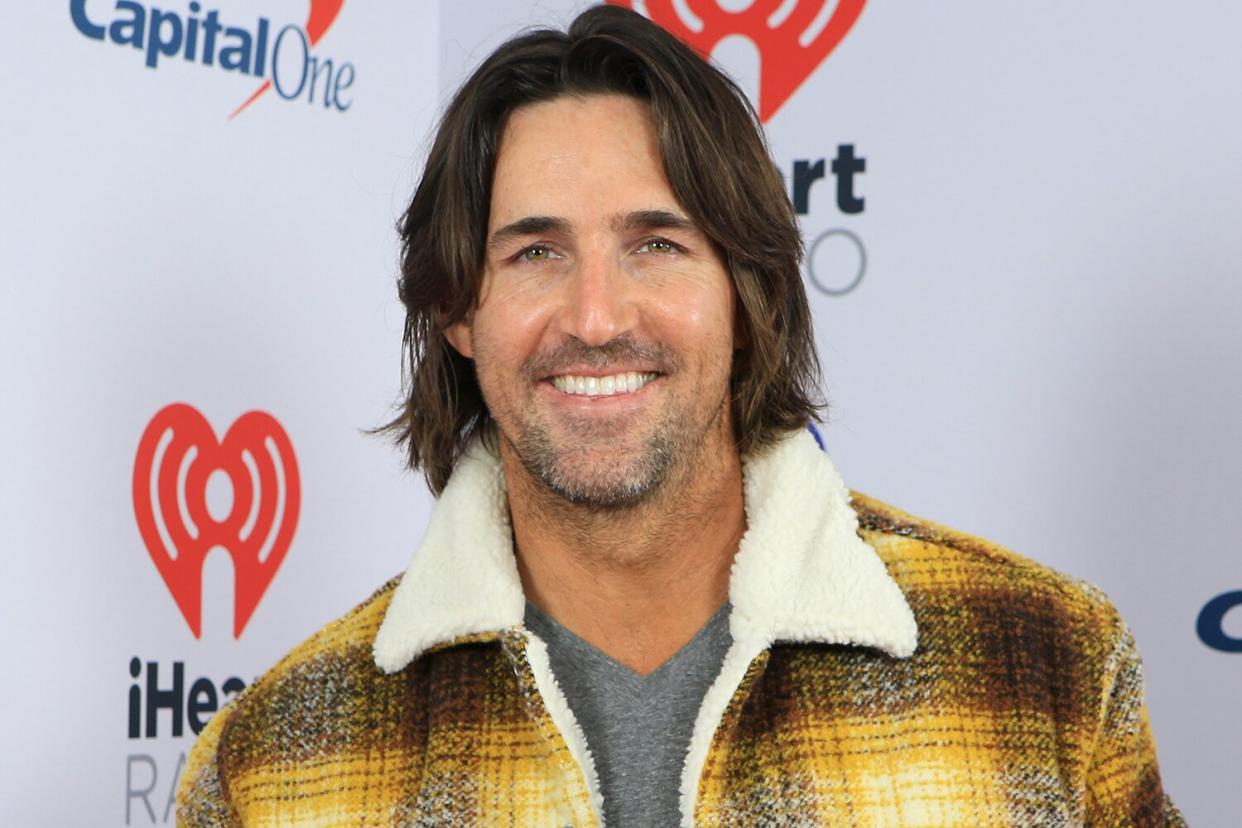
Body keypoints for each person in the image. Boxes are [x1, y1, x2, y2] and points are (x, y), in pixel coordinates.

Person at [177, 5, 1183, 826]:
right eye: (535, 252)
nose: (598, 317)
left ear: (747, 292)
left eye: (656, 243)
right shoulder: (273, 766)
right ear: (456, 313)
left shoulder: (1044, 668)